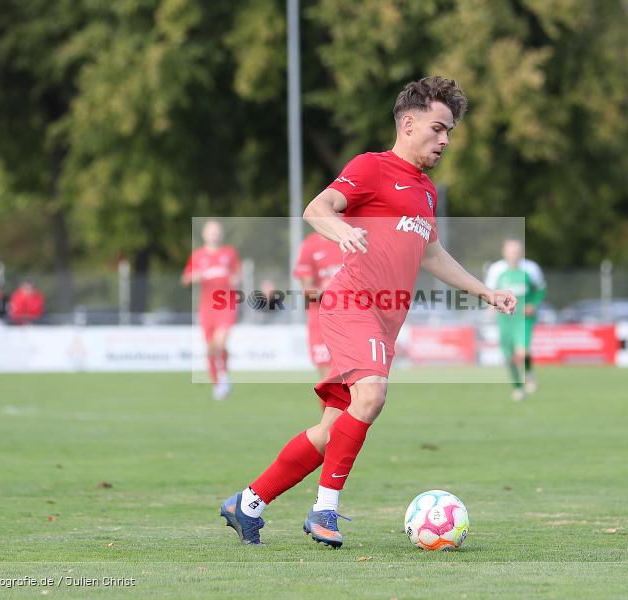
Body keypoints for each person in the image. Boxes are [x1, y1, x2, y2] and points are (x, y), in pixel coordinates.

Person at [219, 76, 516, 547]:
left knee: (331, 429)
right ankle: (324, 512)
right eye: (438, 128)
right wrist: (342, 231)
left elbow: (433, 255)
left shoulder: (426, 191)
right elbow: (317, 209)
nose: (445, 139)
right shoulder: (372, 167)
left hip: (386, 320)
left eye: (450, 132)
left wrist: (485, 291)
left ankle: (248, 503)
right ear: (409, 122)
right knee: (373, 397)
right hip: (350, 303)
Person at [183, 220, 241, 400]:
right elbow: (185, 279)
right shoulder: (198, 255)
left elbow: (238, 274)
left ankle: (223, 375)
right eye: (211, 231)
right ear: (204, 235)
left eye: (217, 231)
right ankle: (218, 383)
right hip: (206, 308)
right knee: (210, 348)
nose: (214, 234)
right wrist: (196, 276)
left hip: (225, 304)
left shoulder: (229, 253)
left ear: (221, 234)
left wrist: (235, 280)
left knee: (220, 342)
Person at [485, 240, 546, 393]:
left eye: (517, 251)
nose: (514, 254)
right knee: (508, 355)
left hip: (524, 317)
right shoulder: (496, 270)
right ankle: (518, 387)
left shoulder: (531, 268)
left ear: (522, 252)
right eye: (511, 251)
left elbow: (541, 289)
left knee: (522, 351)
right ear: (504, 252)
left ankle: (529, 373)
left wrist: (533, 303)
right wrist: (490, 306)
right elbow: (489, 291)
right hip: (504, 318)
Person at [293, 232, 343, 381]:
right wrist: (331, 290)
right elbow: (307, 292)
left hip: (351, 317)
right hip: (321, 319)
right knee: (330, 383)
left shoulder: (352, 237)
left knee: (358, 385)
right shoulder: (310, 245)